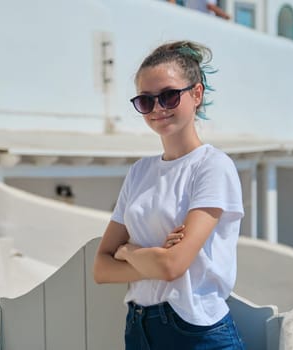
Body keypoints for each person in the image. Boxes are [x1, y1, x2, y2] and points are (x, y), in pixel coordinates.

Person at [93, 40, 245, 349]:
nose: (159, 108)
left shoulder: (212, 167)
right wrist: (155, 256)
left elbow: (172, 267)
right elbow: (100, 268)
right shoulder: (139, 172)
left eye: (169, 96)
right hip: (139, 329)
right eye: (146, 101)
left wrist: (128, 251)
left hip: (196, 331)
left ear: (196, 94)